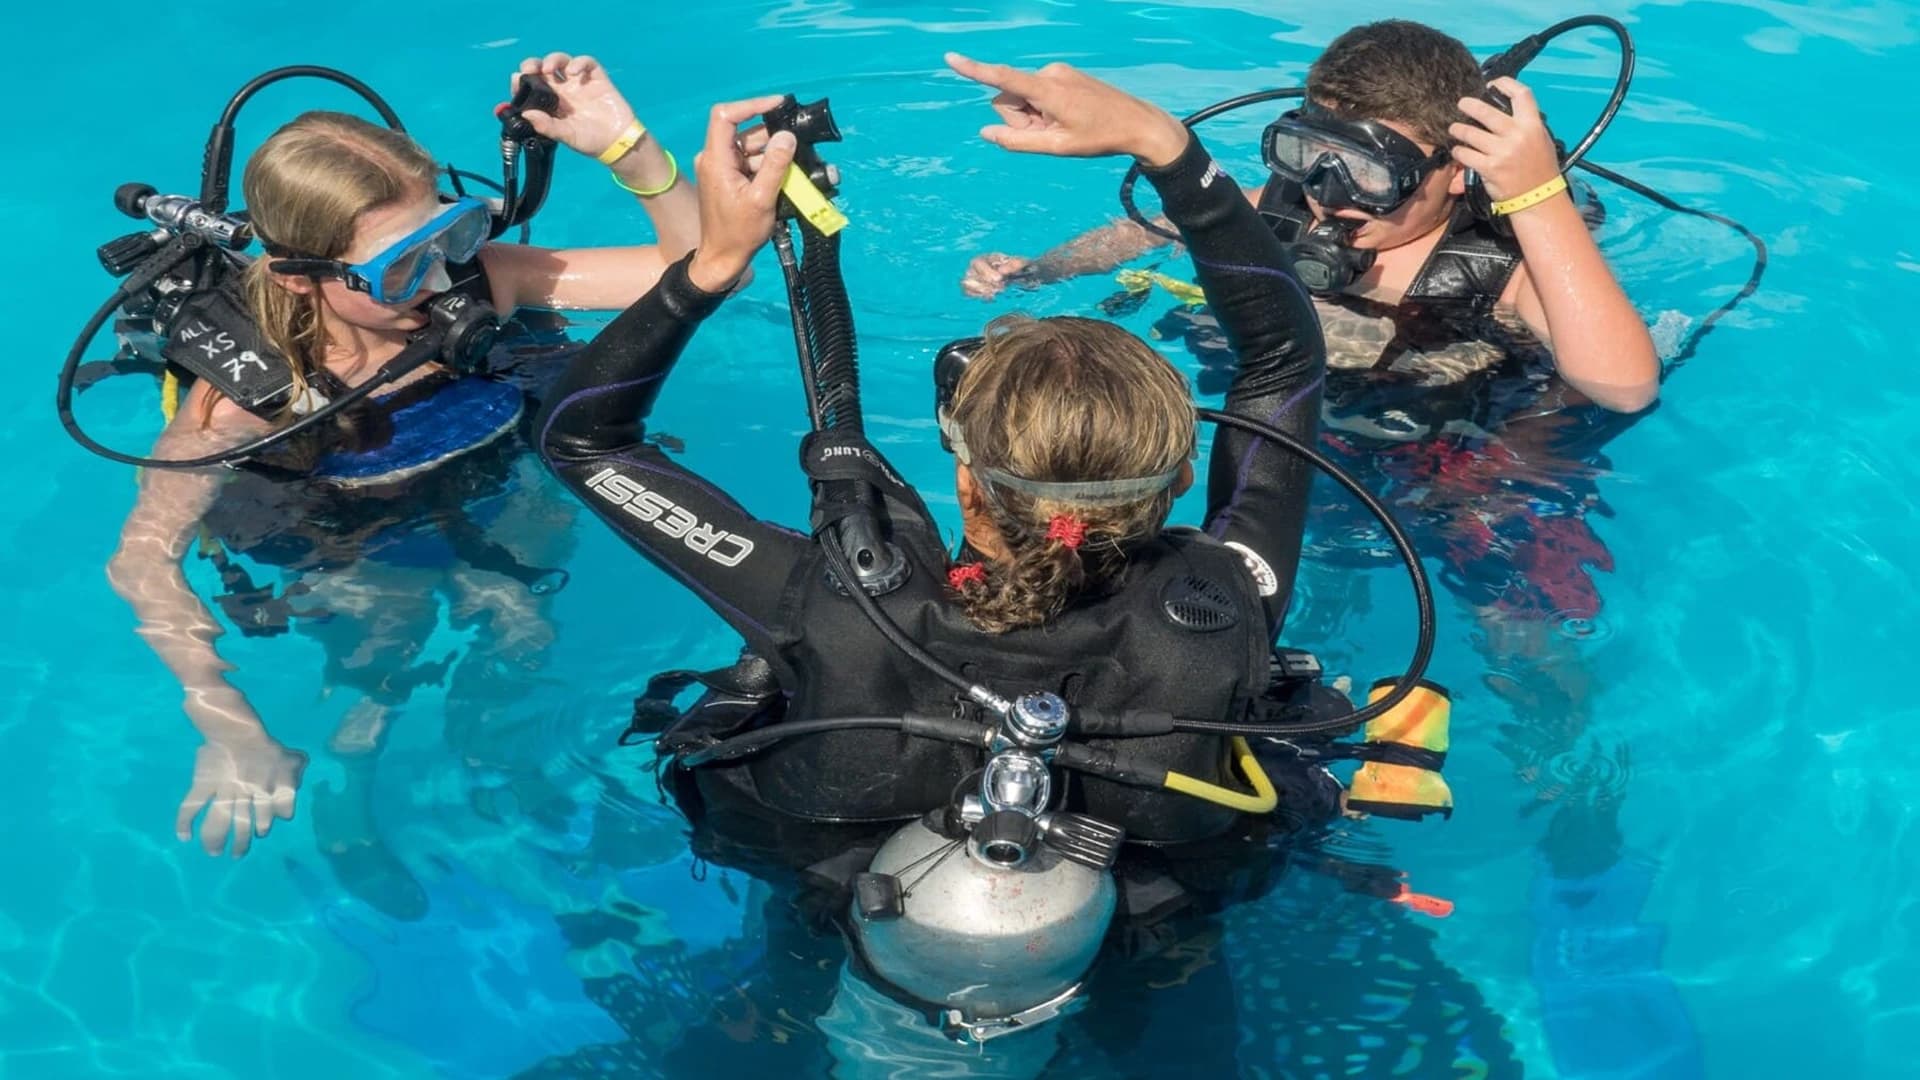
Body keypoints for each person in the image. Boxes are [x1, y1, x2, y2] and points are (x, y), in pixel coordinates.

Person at [107, 52, 702, 881]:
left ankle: (504, 763)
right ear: (301, 279)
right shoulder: (239, 403)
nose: (441, 279)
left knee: (523, 624)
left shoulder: (486, 280)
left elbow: (699, 267)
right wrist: (227, 724)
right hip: (345, 519)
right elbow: (141, 563)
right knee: (380, 663)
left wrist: (626, 147)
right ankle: (349, 782)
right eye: (400, 267)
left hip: (481, 465)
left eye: (450, 234)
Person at [960, 19, 1660, 416]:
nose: (1330, 192)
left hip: (1443, 449)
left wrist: (1538, 198)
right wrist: (1042, 269)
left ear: (1456, 169)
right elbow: (1147, 232)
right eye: (1311, 156)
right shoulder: (1285, 205)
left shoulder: (1509, 270)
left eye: (1371, 172)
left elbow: (1624, 388)